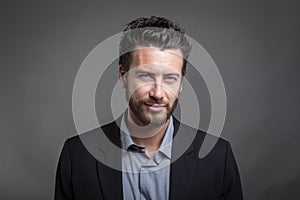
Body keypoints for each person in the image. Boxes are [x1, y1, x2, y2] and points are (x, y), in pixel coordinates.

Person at [55, 16, 243, 200]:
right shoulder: (77, 156)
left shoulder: (218, 156)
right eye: (145, 76)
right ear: (122, 76)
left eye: (170, 78)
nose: (158, 93)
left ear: (181, 83)